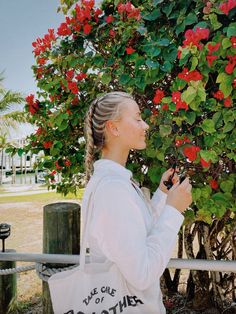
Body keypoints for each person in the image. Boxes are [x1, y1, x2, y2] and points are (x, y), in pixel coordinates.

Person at [81, 91, 192, 313]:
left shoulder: (115, 181)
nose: (146, 126)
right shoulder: (112, 188)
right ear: (114, 128)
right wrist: (173, 211)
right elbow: (142, 273)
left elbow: (138, 235)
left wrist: (162, 195)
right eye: (138, 118)